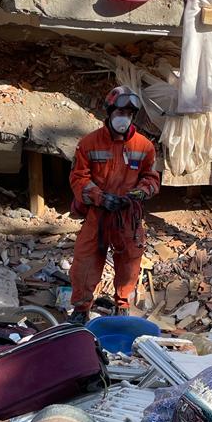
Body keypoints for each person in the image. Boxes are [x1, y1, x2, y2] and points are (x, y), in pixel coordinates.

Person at [68, 86, 160, 324]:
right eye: (120, 112)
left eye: (129, 114)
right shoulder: (89, 143)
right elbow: (79, 177)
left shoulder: (144, 146)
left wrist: (139, 193)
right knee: (85, 261)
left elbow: (151, 178)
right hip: (98, 213)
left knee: (129, 262)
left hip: (127, 215)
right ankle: (81, 310)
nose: (124, 118)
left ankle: (122, 305)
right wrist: (100, 197)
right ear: (109, 112)